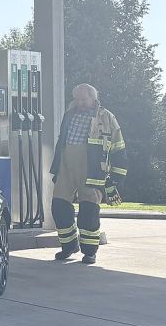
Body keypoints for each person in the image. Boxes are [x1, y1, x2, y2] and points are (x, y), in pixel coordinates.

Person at [50, 84, 127, 264]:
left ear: (94, 98)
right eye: (77, 99)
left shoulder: (107, 117)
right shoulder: (69, 114)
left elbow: (119, 148)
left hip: (92, 170)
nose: (80, 102)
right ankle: (69, 246)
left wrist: (116, 178)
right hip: (66, 168)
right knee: (59, 206)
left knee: (89, 210)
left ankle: (90, 251)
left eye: (83, 99)